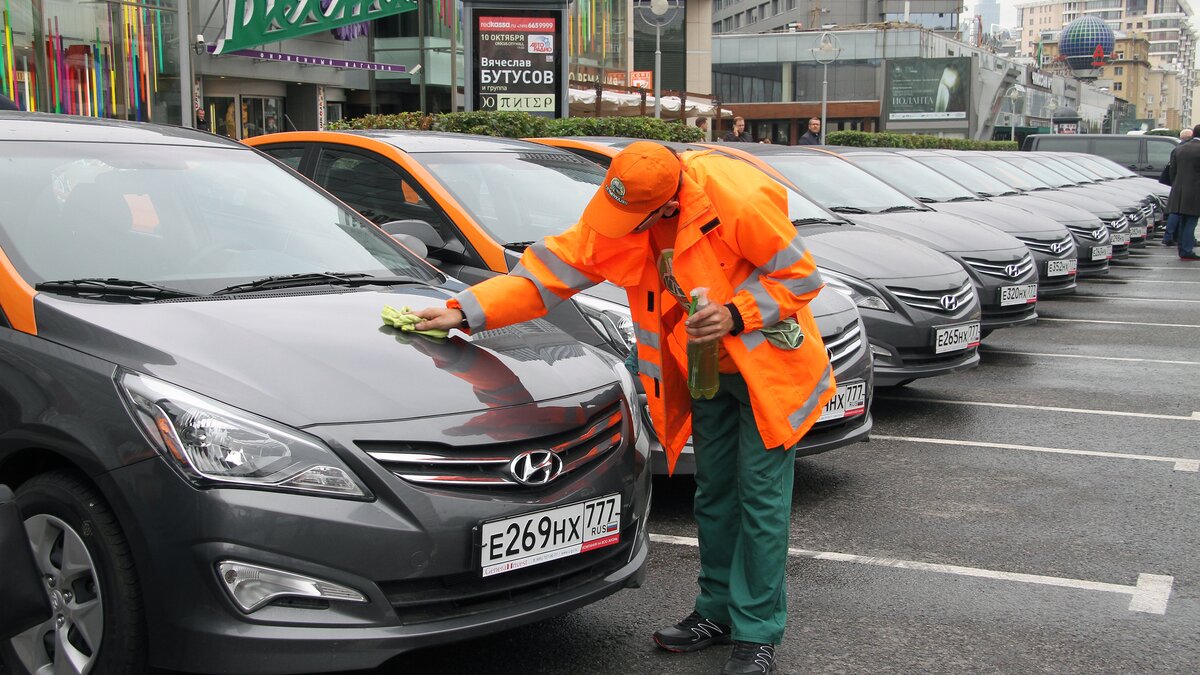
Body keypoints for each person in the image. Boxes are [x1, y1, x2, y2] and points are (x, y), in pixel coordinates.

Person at [415, 142, 834, 675]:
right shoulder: (626, 211)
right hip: (704, 372)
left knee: (760, 501)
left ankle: (757, 633)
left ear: (668, 204)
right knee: (715, 496)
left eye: (638, 218)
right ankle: (716, 612)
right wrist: (461, 311)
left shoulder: (738, 201)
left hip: (765, 375)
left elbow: (801, 276)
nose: (624, 227)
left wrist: (736, 313)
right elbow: (545, 274)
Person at [1165, 124, 1200, 260]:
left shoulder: (1180, 148)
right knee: (1191, 221)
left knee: (1183, 220)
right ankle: (1186, 250)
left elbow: (1172, 170)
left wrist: (1176, 185)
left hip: (1179, 190)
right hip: (1195, 191)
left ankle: (1182, 248)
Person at [1160, 128, 1193, 246]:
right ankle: (1172, 236)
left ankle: (1170, 236)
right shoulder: (1186, 148)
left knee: (1175, 211)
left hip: (1178, 185)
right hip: (1186, 187)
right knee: (1181, 213)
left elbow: (1173, 169)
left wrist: (1175, 182)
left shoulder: (1177, 149)